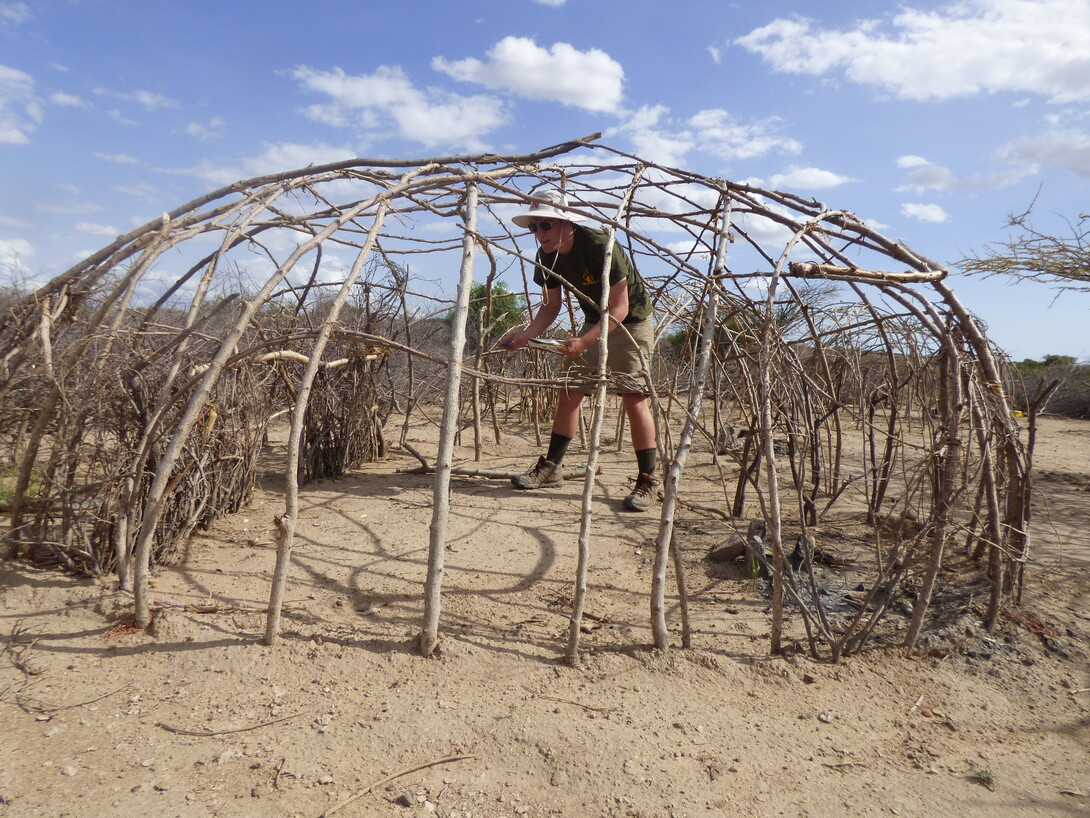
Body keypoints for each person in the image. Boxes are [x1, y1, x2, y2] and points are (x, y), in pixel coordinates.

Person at [500, 189, 659, 512]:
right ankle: (552, 468)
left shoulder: (600, 246)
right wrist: (525, 336)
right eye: (534, 227)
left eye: (545, 225)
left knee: (633, 397)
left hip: (631, 322)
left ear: (566, 223)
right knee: (570, 391)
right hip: (594, 321)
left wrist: (585, 341)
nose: (539, 234)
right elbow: (550, 308)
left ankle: (649, 480)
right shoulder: (546, 255)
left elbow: (620, 307)